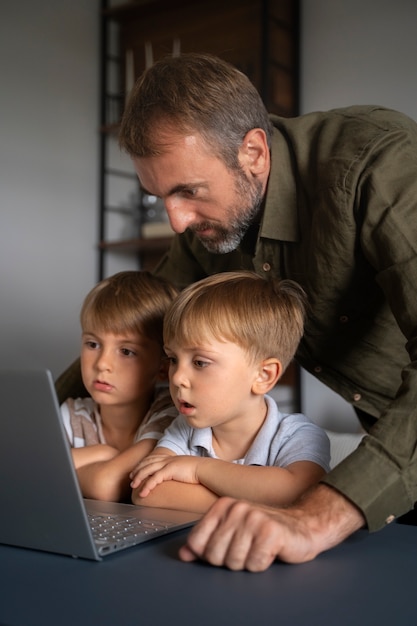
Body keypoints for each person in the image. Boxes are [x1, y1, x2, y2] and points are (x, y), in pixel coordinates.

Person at [115, 51, 417, 569]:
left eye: (188, 190)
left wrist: (316, 517)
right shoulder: (205, 231)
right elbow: (130, 333)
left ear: (253, 151)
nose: (178, 221)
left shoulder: (377, 162)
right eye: (159, 196)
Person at [129, 271, 330, 513]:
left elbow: (298, 492)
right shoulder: (183, 428)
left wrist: (197, 469)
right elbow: (146, 492)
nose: (177, 377)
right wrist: (258, 504)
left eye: (200, 362)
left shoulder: (299, 435)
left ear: (263, 375)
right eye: (173, 358)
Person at [60, 270, 178, 502]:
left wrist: (94, 459)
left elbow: (107, 485)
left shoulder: (169, 414)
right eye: (93, 344)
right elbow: (23, 470)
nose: (102, 364)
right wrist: (102, 452)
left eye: (126, 351)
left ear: (163, 368)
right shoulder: (73, 413)